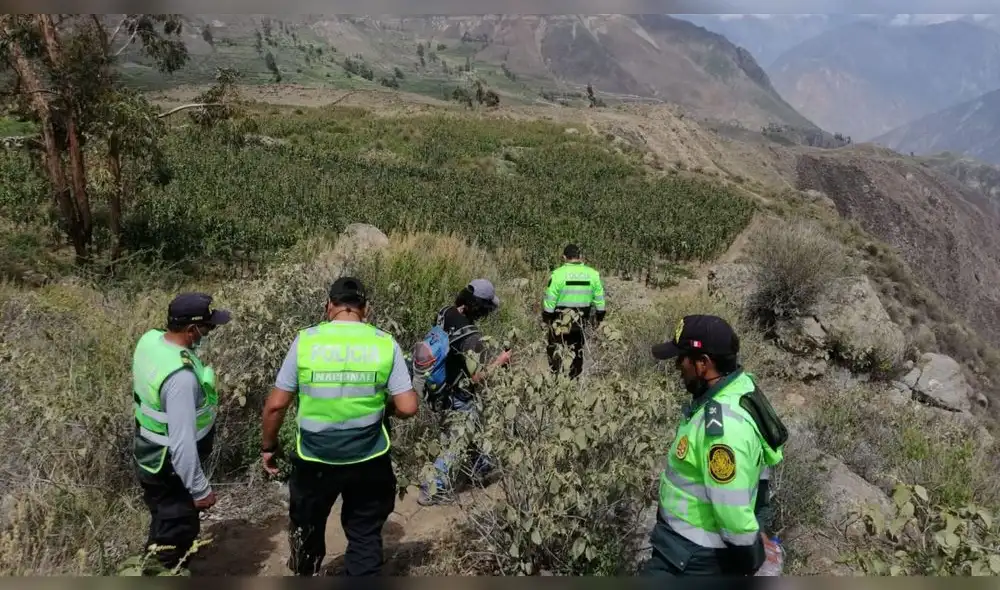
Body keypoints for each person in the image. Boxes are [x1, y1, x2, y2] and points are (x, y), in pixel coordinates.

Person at [260, 277, 419, 577]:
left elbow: (276, 406)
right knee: (364, 533)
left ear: (328, 306)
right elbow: (408, 407)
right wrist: (387, 408)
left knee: (307, 525)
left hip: (314, 457)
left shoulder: (306, 341)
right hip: (368, 457)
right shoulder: (384, 343)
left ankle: (306, 570)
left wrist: (269, 446)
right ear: (366, 309)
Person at [641, 314, 788, 577]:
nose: (677, 366)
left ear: (703, 363)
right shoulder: (741, 388)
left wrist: (751, 558)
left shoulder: (721, 430)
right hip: (684, 550)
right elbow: (758, 469)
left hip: (691, 559)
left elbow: (732, 508)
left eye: (682, 358)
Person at [131, 292, 230, 573]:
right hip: (171, 466)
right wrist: (200, 489)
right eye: (207, 327)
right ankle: (160, 573)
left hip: (149, 452)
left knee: (164, 518)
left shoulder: (150, 340)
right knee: (175, 531)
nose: (209, 332)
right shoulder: (181, 378)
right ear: (191, 329)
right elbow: (182, 444)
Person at [416, 279, 511, 506]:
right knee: (456, 442)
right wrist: (500, 361)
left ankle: (481, 468)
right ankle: (431, 489)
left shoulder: (445, 312)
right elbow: (477, 377)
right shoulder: (471, 337)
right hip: (459, 394)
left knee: (472, 428)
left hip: (439, 388)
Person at [542, 244, 606, 379]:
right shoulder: (593, 274)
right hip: (581, 322)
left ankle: (556, 376)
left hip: (560, 322)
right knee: (577, 350)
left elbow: (550, 301)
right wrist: (600, 317)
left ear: (564, 257)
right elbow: (599, 299)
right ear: (580, 257)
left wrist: (547, 318)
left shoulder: (557, 274)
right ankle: (574, 377)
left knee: (556, 348)